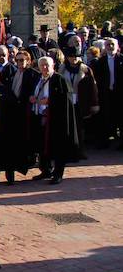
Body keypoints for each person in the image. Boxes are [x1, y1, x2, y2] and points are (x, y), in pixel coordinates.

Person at [30, 56, 79, 184]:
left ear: (53, 66)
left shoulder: (59, 79)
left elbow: (65, 99)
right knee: (42, 146)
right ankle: (45, 169)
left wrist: (50, 101)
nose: (44, 67)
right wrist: (33, 98)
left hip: (56, 119)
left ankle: (58, 173)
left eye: (47, 65)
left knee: (58, 146)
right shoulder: (38, 79)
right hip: (40, 117)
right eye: (42, 65)